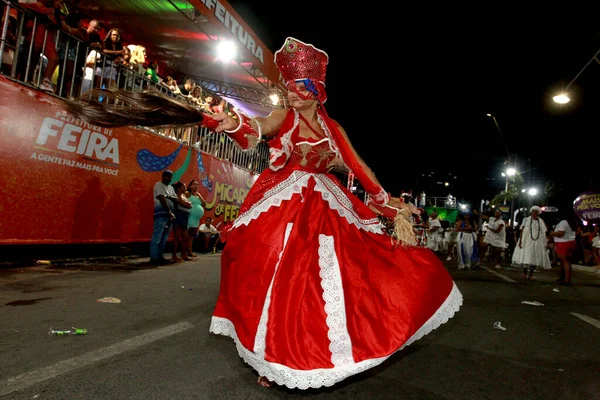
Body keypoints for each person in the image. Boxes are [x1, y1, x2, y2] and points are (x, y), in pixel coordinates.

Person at [65, 37, 462, 390]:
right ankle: (268, 354)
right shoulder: (285, 117)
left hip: (325, 206)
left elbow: (359, 169)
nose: (291, 94)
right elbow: (258, 128)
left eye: (299, 88)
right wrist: (232, 121)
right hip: (281, 202)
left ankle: (320, 351)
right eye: (288, 87)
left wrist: (388, 203)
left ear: (316, 90)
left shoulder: (333, 128)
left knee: (327, 279)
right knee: (267, 269)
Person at [511, 205, 551, 280]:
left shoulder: (541, 221)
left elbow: (543, 232)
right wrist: (520, 241)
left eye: (536, 212)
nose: (535, 213)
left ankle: (531, 274)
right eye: (533, 211)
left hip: (537, 241)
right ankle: (524, 273)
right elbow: (522, 230)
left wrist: (545, 242)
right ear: (531, 212)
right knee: (527, 256)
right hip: (527, 240)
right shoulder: (526, 220)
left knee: (534, 257)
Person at [150, 170, 177, 265]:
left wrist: (168, 197)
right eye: (166, 176)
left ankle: (159, 256)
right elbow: (162, 198)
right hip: (162, 213)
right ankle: (153, 257)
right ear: (162, 176)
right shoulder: (158, 184)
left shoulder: (170, 188)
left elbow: (175, 198)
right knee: (157, 236)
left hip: (170, 215)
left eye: (170, 177)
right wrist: (169, 211)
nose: (168, 178)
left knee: (164, 237)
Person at [548, 214, 578, 285]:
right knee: (566, 261)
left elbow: (561, 233)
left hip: (563, 243)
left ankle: (567, 279)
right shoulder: (572, 223)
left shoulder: (564, 222)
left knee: (564, 261)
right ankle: (563, 277)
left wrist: (552, 233)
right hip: (570, 242)